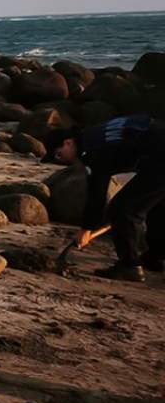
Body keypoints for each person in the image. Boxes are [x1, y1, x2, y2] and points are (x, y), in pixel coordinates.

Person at [45, 115, 165, 281]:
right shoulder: (93, 134)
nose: (61, 160)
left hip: (159, 158)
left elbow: (97, 193)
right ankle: (154, 257)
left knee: (123, 209)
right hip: (156, 153)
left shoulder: (91, 150)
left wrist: (86, 229)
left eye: (59, 154)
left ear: (68, 143)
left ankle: (129, 266)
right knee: (155, 204)